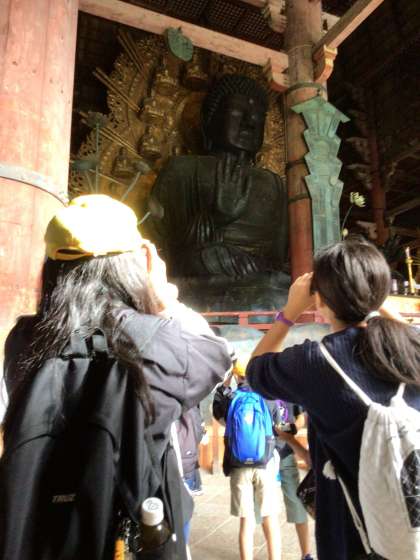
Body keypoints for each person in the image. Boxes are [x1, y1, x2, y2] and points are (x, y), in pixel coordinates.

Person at [0, 194, 232, 559]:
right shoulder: (160, 342)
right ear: (133, 266)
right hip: (127, 534)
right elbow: (219, 356)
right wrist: (166, 300)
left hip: (42, 532)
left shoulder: (22, 340)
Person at [247, 237, 420, 560]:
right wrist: (377, 301)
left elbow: (255, 371)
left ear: (320, 299)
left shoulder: (316, 362)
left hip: (350, 535)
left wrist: (290, 312)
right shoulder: (411, 349)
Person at [150, 74, 289, 310]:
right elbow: (159, 246)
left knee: (280, 285)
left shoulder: (274, 184)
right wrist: (211, 227)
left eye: (258, 117)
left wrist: (257, 266)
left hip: (258, 280)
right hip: (198, 275)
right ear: (210, 119)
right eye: (238, 112)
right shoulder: (182, 170)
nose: (249, 123)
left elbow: (279, 258)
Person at [213, 355, 281, 560]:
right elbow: (277, 426)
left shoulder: (231, 398)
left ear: (237, 376)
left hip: (238, 464)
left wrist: (226, 381)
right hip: (265, 463)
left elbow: (217, 413)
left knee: (246, 520)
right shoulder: (268, 397)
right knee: (270, 517)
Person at [272, 402, 313, 560]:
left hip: (287, 454)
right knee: (266, 508)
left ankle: (306, 554)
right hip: (264, 457)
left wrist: (292, 429)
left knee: (297, 503)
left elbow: (301, 416)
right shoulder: (259, 391)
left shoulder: (288, 390)